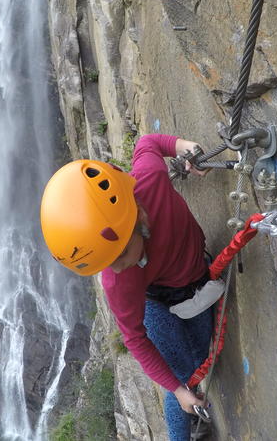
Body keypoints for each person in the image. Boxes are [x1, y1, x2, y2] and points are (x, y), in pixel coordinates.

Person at [40, 133, 216, 440]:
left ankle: (195, 415)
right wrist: (177, 390)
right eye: (105, 263)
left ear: (138, 217)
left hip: (196, 279)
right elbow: (134, 339)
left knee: (201, 357)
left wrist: (184, 148)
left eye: (120, 254)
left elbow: (148, 143)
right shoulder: (119, 281)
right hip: (156, 300)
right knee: (184, 378)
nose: (116, 267)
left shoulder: (151, 180)